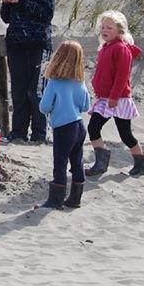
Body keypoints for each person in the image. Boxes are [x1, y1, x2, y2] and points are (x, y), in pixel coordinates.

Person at [0, 0, 55, 145]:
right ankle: (18, 132)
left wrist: (22, 1)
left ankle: (39, 134)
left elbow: (46, 15)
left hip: (38, 44)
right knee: (19, 91)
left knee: (36, 91)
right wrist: (6, 3)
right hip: (16, 45)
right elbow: (6, 18)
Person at [85, 11, 144, 177]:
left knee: (126, 134)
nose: (104, 30)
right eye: (103, 27)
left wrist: (114, 96)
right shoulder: (105, 47)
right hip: (104, 98)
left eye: (109, 28)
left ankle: (140, 163)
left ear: (120, 30)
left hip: (118, 99)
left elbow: (122, 76)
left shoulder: (121, 48)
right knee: (93, 127)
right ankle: (101, 163)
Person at [38, 41, 90, 209]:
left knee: (60, 162)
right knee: (77, 160)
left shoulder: (54, 83)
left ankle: (56, 200)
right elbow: (85, 106)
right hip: (79, 126)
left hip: (63, 128)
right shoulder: (80, 82)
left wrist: (55, 106)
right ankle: (75, 198)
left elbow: (44, 107)